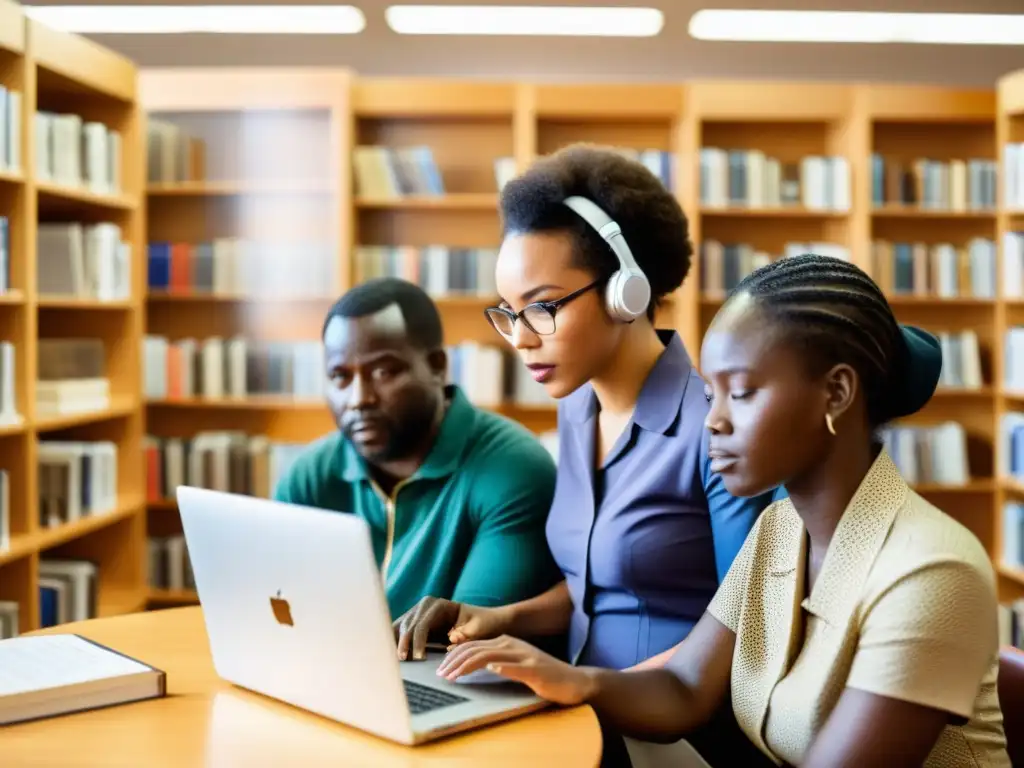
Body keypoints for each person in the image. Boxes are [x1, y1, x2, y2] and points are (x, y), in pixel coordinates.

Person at [427, 254, 1011, 768]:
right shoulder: (780, 533)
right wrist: (563, 679)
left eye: (744, 392)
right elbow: (684, 687)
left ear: (835, 393)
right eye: (715, 393)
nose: (714, 421)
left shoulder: (931, 572)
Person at [272, 277, 562, 619]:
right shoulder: (309, 476)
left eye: (383, 371)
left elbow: (465, 641)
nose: (359, 399)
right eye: (340, 376)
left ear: (438, 366)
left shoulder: (514, 469)